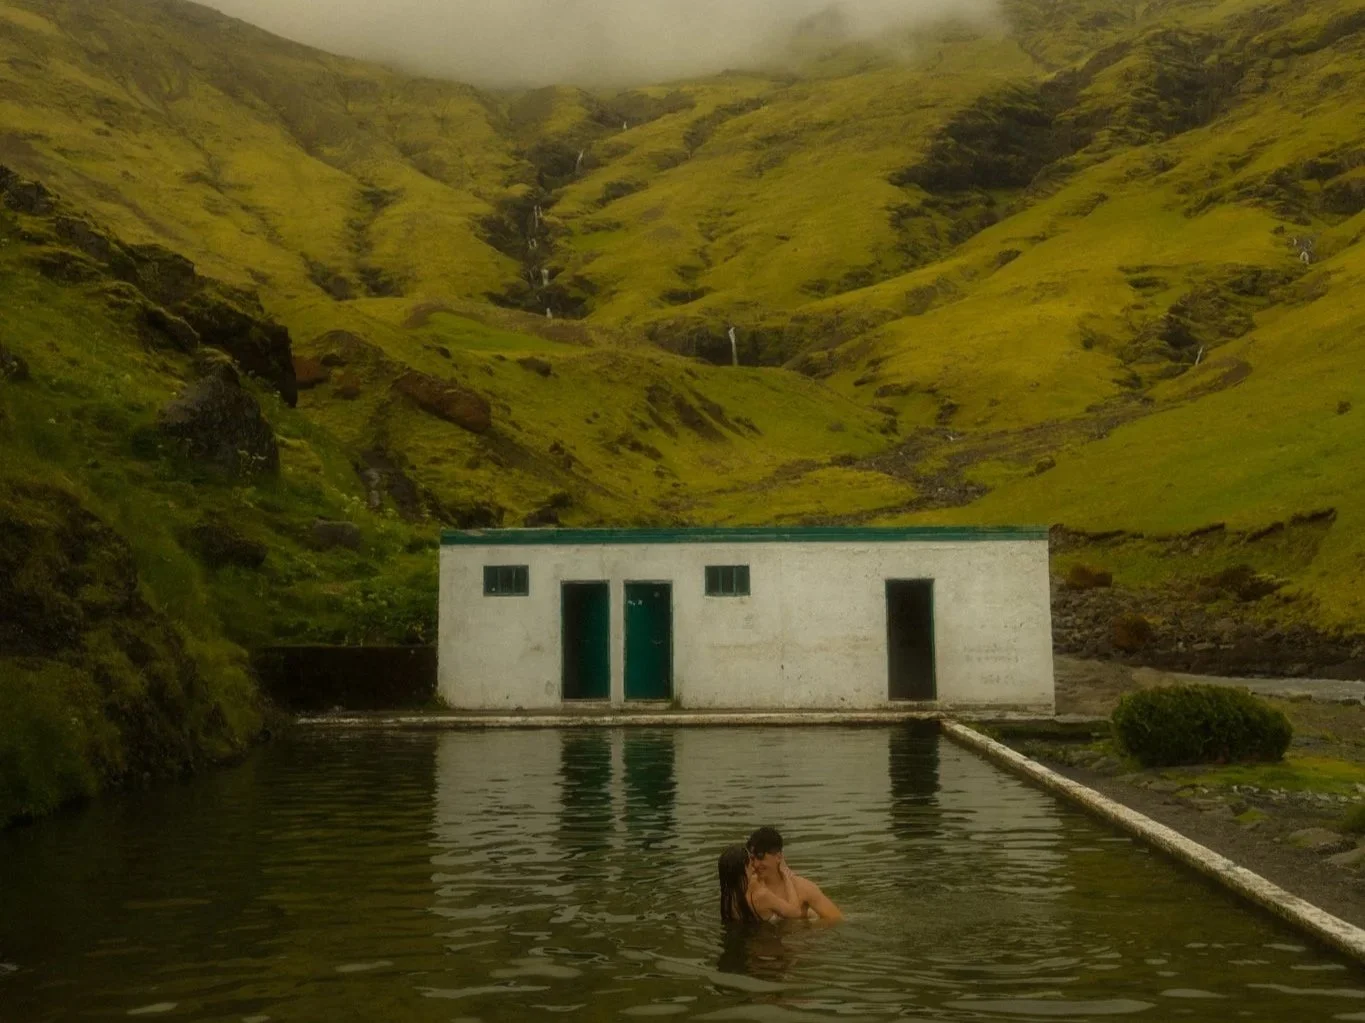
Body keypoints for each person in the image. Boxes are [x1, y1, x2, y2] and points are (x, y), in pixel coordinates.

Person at [747, 826, 843, 922]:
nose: (755, 864)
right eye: (752, 858)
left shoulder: (803, 887)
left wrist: (809, 928)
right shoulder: (747, 887)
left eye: (760, 857)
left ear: (778, 857)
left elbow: (835, 919)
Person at [716, 844, 806, 924]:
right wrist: (786, 877)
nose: (754, 866)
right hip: (767, 940)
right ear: (743, 869)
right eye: (750, 863)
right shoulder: (761, 896)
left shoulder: (728, 895)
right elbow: (796, 913)